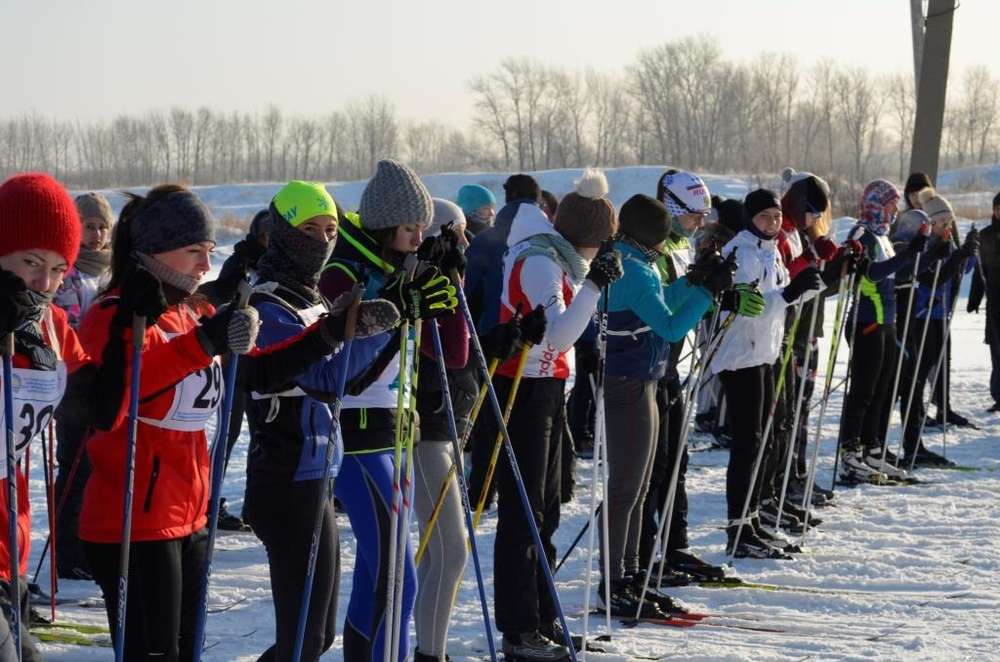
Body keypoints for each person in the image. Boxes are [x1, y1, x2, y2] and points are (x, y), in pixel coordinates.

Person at [76, 183, 370, 661]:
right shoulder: (114, 316)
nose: (203, 264)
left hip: (189, 515)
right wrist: (204, 343)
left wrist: (331, 332)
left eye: (209, 251)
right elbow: (117, 400)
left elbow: (262, 370)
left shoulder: (190, 314)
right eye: (193, 251)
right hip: (134, 520)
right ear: (153, 250)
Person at [241, 181, 400, 662]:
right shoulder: (268, 304)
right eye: (309, 228)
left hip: (315, 474)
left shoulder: (309, 297)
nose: (322, 239)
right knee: (303, 639)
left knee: (316, 636)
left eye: (330, 229)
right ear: (282, 232)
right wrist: (372, 331)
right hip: (284, 480)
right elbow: (326, 377)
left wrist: (389, 324)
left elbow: (351, 379)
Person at [478, 169, 622, 661]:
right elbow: (558, 335)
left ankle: (543, 617)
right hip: (523, 387)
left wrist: (591, 287)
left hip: (548, 386)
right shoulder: (541, 261)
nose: (597, 257)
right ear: (587, 239)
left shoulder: (558, 258)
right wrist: (594, 289)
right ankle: (520, 630)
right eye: (600, 247)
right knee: (524, 512)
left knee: (550, 506)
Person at [319, 160, 457, 662]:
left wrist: (438, 288)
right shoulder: (342, 271)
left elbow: (452, 355)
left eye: (423, 228)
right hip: (357, 437)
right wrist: (401, 301)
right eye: (409, 228)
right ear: (383, 225)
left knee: (380, 577)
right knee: (398, 580)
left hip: (397, 434)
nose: (418, 237)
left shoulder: (393, 270)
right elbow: (344, 364)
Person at [0, 173, 129, 662]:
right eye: (31, 262)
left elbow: (99, 409)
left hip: (10, 545)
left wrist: (127, 324)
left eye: (58, 268)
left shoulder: (50, 323)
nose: (45, 282)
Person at [600, 191, 730, 615]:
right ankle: (615, 578)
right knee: (627, 488)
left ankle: (632, 572)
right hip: (630, 385)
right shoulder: (633, 270)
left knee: (640, 487)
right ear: (650, 235)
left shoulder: (638, 263)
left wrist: (692, 282)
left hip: (646, 382)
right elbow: (671, 327)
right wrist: (706, 295)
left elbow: (658, 307)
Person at [639, 170, 752, 584]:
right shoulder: (654, 252)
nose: (699, 224)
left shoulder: (681, 247)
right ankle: (645, 552)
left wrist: (721, 293)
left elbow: (689, 305)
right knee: (653, 467)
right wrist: (703, 287)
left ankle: (675, 546)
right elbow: (665, 311)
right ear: (670, 209)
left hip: (670, 368)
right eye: (692, 216)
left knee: (675, 463)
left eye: (703, 215)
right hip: (647, 369)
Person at [710, 189, 824, 559]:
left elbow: (778, 300)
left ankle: (752, 518)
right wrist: (791, 293)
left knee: (762, 442)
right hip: (739, 356)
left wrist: (805, 288)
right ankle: (738, 527)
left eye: (776, 217)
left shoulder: (770, 250)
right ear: (749, 219)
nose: (772, 224)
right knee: (748, 443)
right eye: (764, 218)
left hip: (764, 354)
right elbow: (750, 306)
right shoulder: (741, 253)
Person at [410, 199, 472, 662]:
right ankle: (430, 654)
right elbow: (446, 349)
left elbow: (461, 347)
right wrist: (448, 279)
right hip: (423, 427)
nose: (466, 244)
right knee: (450, 551)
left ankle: (432, 649)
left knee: (439, 553)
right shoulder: (416, 278)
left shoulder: (439, 273)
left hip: (444, 424)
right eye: (459, 234)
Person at [837, 180, 929, 485]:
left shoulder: (883, 235)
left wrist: (925, 255)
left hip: (887, 321)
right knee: (864, 389)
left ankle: (873, 448)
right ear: (876, 203)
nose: (895, 209)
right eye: (890, 203)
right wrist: (906, 256)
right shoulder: (862, 233)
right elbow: (871, 273)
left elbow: (895, 272)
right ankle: (851, 452)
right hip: (867, 322)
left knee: (884, 390)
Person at [465, 174, 542, 511]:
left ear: (507, 198)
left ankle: (481, 489)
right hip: (537, 342)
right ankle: (541, 487)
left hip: (493, 341)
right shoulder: (545, 234)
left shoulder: (488, 240)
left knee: (489, 422)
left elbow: (468, 295)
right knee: (535, 425)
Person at [52, 191, 115, 580]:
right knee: (76, 464)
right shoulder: (67, 272)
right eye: (87, 226)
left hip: (109, 380)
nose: (94, 234)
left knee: (102, 467)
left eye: (101, 227)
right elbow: (66, 327)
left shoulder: (111, 271)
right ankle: (68, 550)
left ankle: (92, 542)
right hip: (76, 381)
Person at [199, 207, 272, 532]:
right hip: (233, 366)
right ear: (257, 235)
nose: (269, 241)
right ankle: (209, 502)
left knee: (262, 438)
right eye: (265, 235)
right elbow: (218, 299)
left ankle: (256, 504)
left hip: (262, 366)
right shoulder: (241, 262)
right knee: (226, 437)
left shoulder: (279, 264)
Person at [895, 188, 977, 468]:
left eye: (949, 223)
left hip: (940, 314)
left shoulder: (944, 241)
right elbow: (928, 278)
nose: (946, 227)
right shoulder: (922, 244)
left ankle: (916, 441)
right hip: (921, 316)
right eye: (941, 223)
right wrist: (953, 257)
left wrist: (968, 252)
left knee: (928, 373)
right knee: (915, 380)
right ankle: (911, 442)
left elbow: (959, 269)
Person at [968, 191, 1000, 412]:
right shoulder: (986, 235)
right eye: (998, 208)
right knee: (997, 350)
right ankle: (999, 395)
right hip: (995, 302)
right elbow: (980, 272)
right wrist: (975, 298)